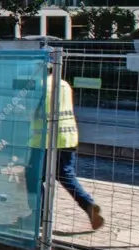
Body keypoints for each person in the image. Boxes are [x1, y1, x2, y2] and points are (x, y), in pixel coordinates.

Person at [25, 62, 105, 231]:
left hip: (44, 139)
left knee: (33, 177)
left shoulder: (39, 86)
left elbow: (29, 112)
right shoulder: (64, 84)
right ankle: (88, 205)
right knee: (65, 174)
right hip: (67, 137)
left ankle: (37, 217)